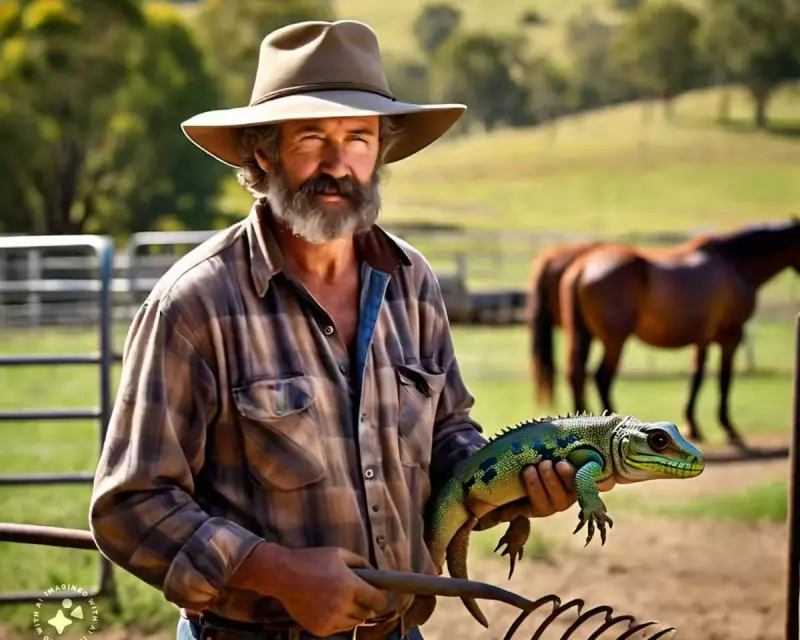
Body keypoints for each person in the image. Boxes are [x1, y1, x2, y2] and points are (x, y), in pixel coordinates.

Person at [88, 19, 601, 640]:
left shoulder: (411, 281)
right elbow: (131, 505)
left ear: (380, 149)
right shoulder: (196, 305)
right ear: (262, 151)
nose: (338, 164)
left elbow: (448, 435)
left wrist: (514, 485)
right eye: (312, 137)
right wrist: (277, 573)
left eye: (358, 137)